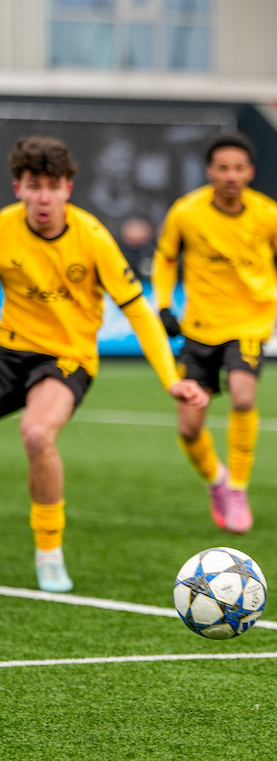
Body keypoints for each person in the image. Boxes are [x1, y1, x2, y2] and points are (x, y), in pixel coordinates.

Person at [0, 136, 208, 592]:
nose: (43, 197)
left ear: (68, 188)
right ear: (18, 187)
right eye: (34, 185)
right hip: (9, 350)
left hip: (66, 358)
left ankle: (49, 552)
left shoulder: (93, 238)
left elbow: (138, 309)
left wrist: (171, 378)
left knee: (36, 433)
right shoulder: (3, 229)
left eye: (52, 185)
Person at [152, 132, 277, 534]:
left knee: (243, 396)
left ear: (250, 172)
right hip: (198, 330)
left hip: (249, 325)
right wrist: (163, 305)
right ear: (210, 171)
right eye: (223, 167)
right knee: (188, 428)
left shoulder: (267, 214)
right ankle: (218, 481)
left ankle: (239, 489)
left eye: (239, 168)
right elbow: (165, 260)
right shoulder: (186, 213)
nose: (231, 175)